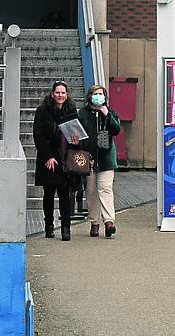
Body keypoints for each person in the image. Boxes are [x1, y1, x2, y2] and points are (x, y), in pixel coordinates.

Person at [33, 80, 79, 241]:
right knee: (49, 194)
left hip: (66, 158)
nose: (60, 95)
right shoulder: (42, 111)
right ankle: (49, 226)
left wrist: (76, 140)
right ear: (52, 94)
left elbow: (76, 133)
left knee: (65, 195)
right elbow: (38, 136)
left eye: (63, 93)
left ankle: (66, 228)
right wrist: (48, 157)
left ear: (67, 95)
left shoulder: (71, 110)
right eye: (57, 92)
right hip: (49, 158)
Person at [77, 84, 121, 238]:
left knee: (105, 188)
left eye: (101, 94)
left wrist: (107, 114)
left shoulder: (109, 112)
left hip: (106, 157)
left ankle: (109, 222)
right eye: (95, 93)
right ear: (90, 96)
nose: (98, 96)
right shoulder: (82, 113)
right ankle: (94, 222)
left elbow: (116, 130)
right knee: (91, 191)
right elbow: (77, 132)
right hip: (89, 157)